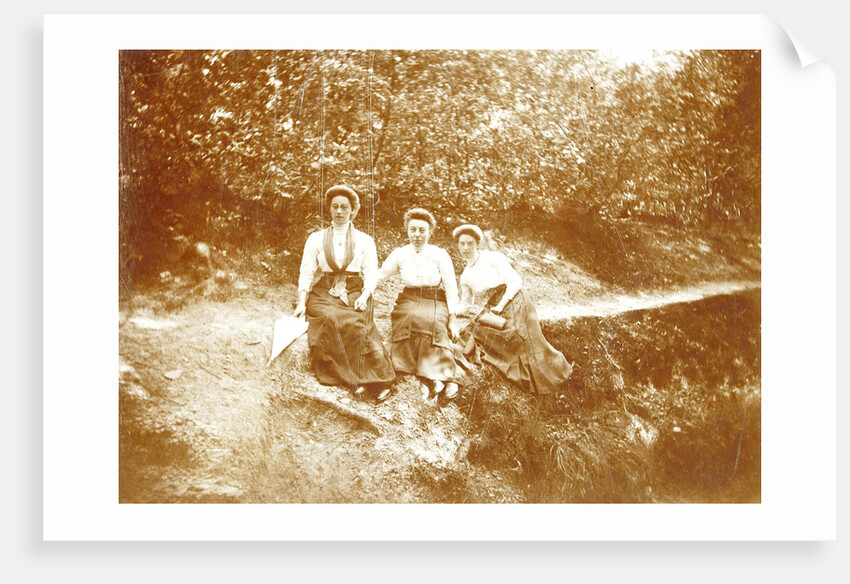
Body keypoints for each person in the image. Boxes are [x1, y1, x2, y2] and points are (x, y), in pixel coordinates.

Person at [293, 185, 395, 402]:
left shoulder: (365, 240)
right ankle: (350, 379)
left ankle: (378, 381)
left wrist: (364, 296)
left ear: (353, 211)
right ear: (329, 209)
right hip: (324, 291)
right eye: (335, 207)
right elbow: (306, 272)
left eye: (344, 207)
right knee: (329, 319)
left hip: (355, 290)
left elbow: (370, 273)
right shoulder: (316, 239)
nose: (339, 211)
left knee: (357, 323)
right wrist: (301, 303)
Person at [453, 224, 572, 395]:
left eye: (469, 243)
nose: (465, 248)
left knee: (518, 335)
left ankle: (554, 373)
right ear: (458, 245)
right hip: (494, 305)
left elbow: (515, 281)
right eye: (462, 243)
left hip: (514, 297)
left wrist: (501, 305)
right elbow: (465, 304)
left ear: (477, 244)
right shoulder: (465, 276)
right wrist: (451, 310)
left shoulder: (493, 258)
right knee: (476, 332)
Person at [374, 208, 464, 400]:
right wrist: (364, 291)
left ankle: (441, 376)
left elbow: (450, 286)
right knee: (408, 320)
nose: (417, 235)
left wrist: (453, 318)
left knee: (434, 324)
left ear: (430, 232)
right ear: (407, 230)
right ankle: (404, 369)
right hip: (409, 299)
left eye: (422, 230)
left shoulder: (440, 254)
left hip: (434, 299)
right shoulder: (400, 253)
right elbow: (379, 275)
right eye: (413, 229)